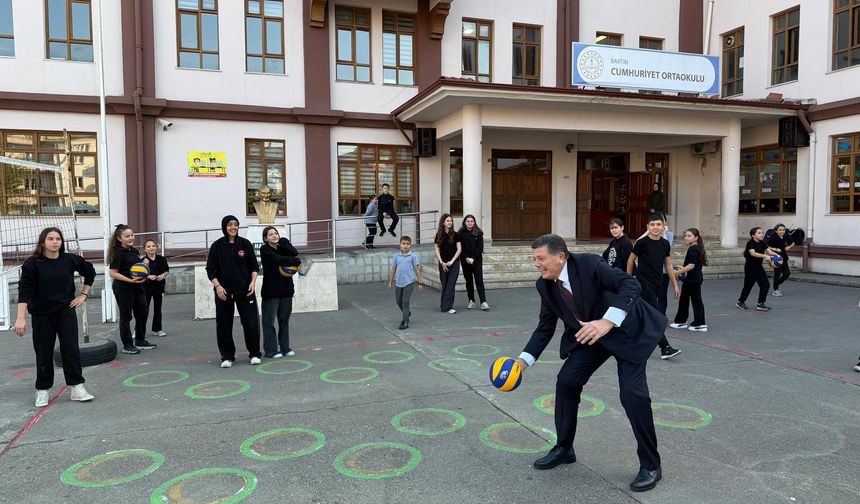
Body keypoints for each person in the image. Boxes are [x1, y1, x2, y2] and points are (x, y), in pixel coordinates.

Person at [515, 234, 667, 492]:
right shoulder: (545, 285)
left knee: (632, 395)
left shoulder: (590, 264)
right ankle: (564, 447)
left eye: (541, 258)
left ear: (560, 256)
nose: (537, 264)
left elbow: (631, 286)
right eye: (534, 259)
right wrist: (522, 362)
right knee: (566, 381)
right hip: (591, 335)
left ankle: (651, 465)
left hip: (625, 330)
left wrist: (607, 321)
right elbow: (544, 328)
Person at [14, 227, 96, 407]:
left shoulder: (69, 259)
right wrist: (21, 318)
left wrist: (83, 294)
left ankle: (77, 387)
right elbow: (24, 291)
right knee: (43, 352)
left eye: (58, 238)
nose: (54, 242)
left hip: (65, 312)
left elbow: (90, 271)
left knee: (71, 349)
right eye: (50, 238)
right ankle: (43, 390)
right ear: (43, 241)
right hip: (42, 315)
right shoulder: (32, 264)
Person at [205, 215, 263, 368]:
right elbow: (210, 270)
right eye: (230, 225)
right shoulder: (217, 246)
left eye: (236, 224)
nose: (233, 227)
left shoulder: (245, 244)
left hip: (245, 291)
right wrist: (218, 286)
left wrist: (253, 282)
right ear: (224, 227)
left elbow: (254, 267)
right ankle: (227, 356)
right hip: (224, 293)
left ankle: (255, 353)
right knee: (224, 324)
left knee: (251, 323)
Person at [627, 213, 681, 359]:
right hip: (644, 283)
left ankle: (630, 341)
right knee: (655, 316)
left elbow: (668, 264)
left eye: (658, 224)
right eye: (652, 225)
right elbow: (631, 259)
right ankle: (665, 347)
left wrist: (675, 284)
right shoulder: (642, 242)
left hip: (658, 283)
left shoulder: (664, 243)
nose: (655, 227)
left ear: (663, 226)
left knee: (643, 315)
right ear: (647, 227)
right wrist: (629, 278)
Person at [108, 225, 157, 355]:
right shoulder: (117, 253)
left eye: (132, 235)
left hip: (137, 286)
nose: (131, 238)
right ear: (119, 238)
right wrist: (130, 280)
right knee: (126, 316)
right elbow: (112, 273)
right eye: (127, 236)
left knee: (142, 312)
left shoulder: (134, 251)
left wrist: (144, 265)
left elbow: (135, 268)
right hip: (123, 287)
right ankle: (127, 344)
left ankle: (140, 340)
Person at [259, 226, 301, 359]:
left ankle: (285, 348)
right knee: (269, 322)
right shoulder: (265, 249)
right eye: (270, 234)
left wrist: (285, 242)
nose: (274, 236)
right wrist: (294, 261)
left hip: (286, 291)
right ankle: (271, 350)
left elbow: (294, 253)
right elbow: (277, 260)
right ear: (265, 238)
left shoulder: (283, 247)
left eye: (275, 233)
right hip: (271, 292)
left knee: (284, 321)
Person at [669, 228, 708, 332]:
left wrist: (677, 272)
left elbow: (691, 265)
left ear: (696, 238)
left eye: (689, 236)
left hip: (693, 279)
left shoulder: (693, 248)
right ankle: (681, 321)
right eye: (685, 236)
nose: (686, 238)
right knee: (685, 300)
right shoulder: (696, 248)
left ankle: (699, 323)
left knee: (694, 300)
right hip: (693, 278)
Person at [737, 226, 776, 311]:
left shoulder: (762, 242)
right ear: (753, 235)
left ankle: (760, 303)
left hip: (759, 268)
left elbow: (769, 252)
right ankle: (741, 302)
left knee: (765, 285)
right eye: (759, 233)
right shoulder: (750, 243)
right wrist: (765, 256)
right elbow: (753, 253)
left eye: (762, 232)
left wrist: (777, 256)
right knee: (748, 286)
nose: (762, 234)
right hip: (750, 268)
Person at [388, 236, 423, 330]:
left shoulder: (413, 256)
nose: (405, 246)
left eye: (407, 244)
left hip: (409, 282)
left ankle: (405, 321)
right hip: (398, 282)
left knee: (405, 302)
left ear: (410, 245)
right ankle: (407, 313)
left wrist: (420, 282)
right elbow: (393, 269)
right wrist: (390, 282)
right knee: (398, 301)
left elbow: (417, 269)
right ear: (400, 245)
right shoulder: (396, 256)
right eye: (403, 243)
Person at [458, 214, 489, 310]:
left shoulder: (479, 233)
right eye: (468, 221)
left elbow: (480, 248)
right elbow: (460, 248)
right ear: (465, 222)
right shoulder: (461, 233)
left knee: (479, 280)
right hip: (465, 260)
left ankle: (483, 302)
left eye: (471, 221)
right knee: (469, 281)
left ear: (474, 222)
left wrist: (473, 258)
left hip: (477, 260)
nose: (470, 223)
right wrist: (466, 258)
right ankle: (471, 301)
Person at [434, 213, 462, 314]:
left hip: (454, 263)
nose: (450, 222)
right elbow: (437, 248)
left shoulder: (455, 234)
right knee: (445, 284)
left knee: (451, 284)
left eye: (451, 221)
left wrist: (452, 261)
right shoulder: (439, 235)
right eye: (447, 221)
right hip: (443, 263)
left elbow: (459, 249)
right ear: (443, 222)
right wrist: (442, 262)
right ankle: (444, 305)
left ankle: (448, 307)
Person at [142, 239, 170, 338]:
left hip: (158, 287)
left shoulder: (162, 259)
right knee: (144, 309)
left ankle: (157, 329)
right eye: (148, 246)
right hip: (146, 288)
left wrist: (163, 275)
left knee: (158, 309)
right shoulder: (143, 261)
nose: (151, 248)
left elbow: (167, 271)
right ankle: (139, 330)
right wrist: (148, 276)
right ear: (145, 249)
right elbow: (139, 274)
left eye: (153, 246)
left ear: (156, 247)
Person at [767, 223, 793, 297]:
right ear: (776, 231)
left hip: (784, 258)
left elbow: (793, 242)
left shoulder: (786, 236)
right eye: (780, 230)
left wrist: (789, 247)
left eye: (783, 230)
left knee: (787, 273)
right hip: (776, 258)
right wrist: (775, 249)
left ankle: (777, 283)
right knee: (777, 274)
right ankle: (776, 290)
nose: (782, 231)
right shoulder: (773, 238)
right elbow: (766, 246)